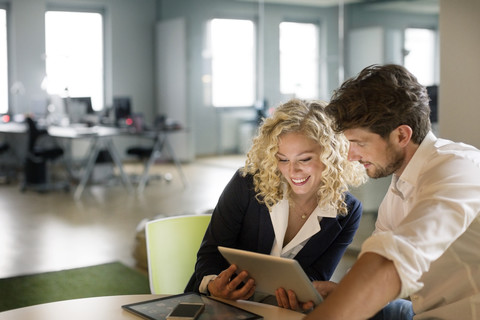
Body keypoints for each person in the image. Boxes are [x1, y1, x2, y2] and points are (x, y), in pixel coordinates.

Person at [303, 64, 480, 320]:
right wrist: (341, 292)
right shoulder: (400, 183)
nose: (351, 155)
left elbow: (396, 258)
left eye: (359, 143)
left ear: (401, 135)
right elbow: (378, 256)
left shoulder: (458, 168)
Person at [185, 98, 367, 309]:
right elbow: (211, 253)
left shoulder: (347, 211)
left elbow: (317, 275)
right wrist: (213, 284)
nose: (293, 171)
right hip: (219, 305)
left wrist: (301, 295)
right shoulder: (248, 184)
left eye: (305, 159)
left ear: (331, 156)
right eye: (283, 159)